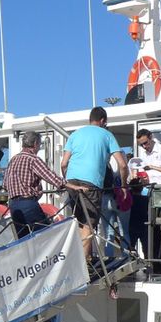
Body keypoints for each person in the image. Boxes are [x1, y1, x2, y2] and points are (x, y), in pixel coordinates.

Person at [62, 106, 128, 262]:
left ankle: (84, 258)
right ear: (103, 121)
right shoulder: (107, 135)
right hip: (91, 183)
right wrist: (124, 186)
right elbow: (123, 165)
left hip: (72, 181)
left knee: (80, 221)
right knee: (89, 223)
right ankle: (84, 263)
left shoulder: (75, 134)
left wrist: (68, 182)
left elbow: (64, 163)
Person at [127, 128, 161, 259]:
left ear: (151, 137)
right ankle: (154, 259)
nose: (144, 146)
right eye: (141, 145)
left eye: (145, 143)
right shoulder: (143, 154)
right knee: (152, 226)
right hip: (148, 191)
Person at [4, 133, 66, 239]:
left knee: (24, 240)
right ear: (35, 143)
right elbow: (50, 177)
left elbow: (5, 184)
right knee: (45, 236)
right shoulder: (33, 159)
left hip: (13, 206)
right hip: (28, 204)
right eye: (40, 144)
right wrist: (66, 184)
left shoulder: (13, 159)